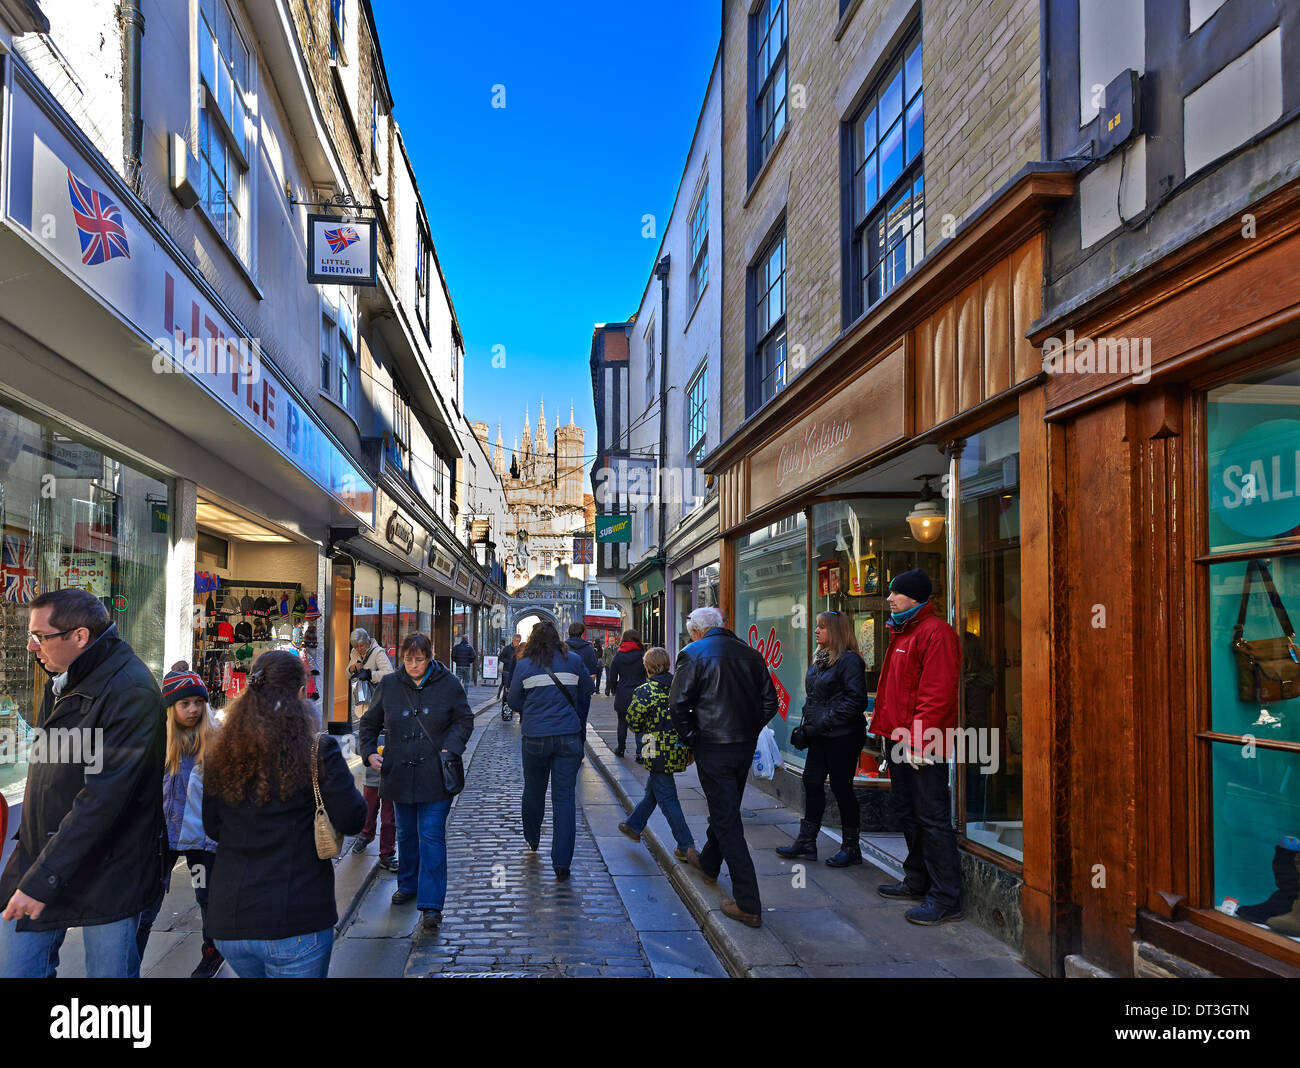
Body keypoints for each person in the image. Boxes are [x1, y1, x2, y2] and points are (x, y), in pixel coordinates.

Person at [0, 589, 164, 978]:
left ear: (80, 637)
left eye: (41, 636)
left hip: (109, 869)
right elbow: (51, 771)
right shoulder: (63, 677)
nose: (30, 645)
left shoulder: (132, 691)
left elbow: (103, 799)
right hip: (45, 854)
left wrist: (43, 878)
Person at [202, 651, 365, 977]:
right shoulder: (318, 749)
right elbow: (352, 818)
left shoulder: (221, 751)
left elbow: (212, 827)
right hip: (295, 915)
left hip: (231, 919)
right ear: (301, 693)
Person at [669, 607, 777, 928]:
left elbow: (677, 704)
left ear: (697, 632)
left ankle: (749, 902)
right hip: (741, 747)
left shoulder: (692, 653)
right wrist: (747, 730)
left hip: (713, 746)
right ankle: (709, 862)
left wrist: (693, 739)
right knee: (725, 807)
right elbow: (770, 702)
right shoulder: (751, 654)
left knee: (728, 819)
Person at [359, 633, 474, 934]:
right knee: (407, 835)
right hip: (398, 774)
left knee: (431, 836)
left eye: (419, 659)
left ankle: (432, 905)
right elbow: (369, 724)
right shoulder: (389, 685)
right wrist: (369, 752)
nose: (412, 664)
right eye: (408, 659)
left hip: (435, 776)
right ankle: (408, 884)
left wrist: (451, 748)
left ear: (430, 656)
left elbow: (464, 720)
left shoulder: (448, 684)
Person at [868, 569, 964, 925]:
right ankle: (917, 880)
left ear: (914, 597)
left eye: (896, 593)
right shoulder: (902, 631)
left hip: (923, 743)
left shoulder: (936, 633)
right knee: (909, 812)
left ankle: (946, 897)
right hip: (898, 740)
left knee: (932, 818)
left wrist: (921, 741)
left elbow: (936, 694)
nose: (889, 598)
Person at [137, 666, 224, 978]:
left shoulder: (216, 740)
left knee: (206, 897)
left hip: (203, 838)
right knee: (148, 902)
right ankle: (130, 960)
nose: (193, 710)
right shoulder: (156, 739)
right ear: (170, 707)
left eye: (198, 703)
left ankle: (212, 953)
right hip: (163, 836)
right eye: (184, 704)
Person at [507, 621, 595, 879]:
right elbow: (586, 692)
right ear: (558, 638)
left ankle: (532, 839)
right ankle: (562, 862)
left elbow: (513, 700)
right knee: (564, 798)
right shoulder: (575, 660)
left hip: (535, 737)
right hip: (568, 737)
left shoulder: (524, 665)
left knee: (533, 790)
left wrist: (533, 710)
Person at [780, 611, 869, 867]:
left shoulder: (850, 661)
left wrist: (821, 723)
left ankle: (851, 847)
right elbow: (814, 698)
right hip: (819, 734)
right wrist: (806, 727)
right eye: (816, 626)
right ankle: (807, 841)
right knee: (812, 782)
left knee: (842, 788)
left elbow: (855, 701)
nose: (816, 631)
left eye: (822, 627)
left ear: (837, 632)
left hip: (843, 736)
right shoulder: (820, 658)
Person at [619, 648, 698, 863]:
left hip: (652, 747)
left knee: (667, 796)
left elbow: (633, 722)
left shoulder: (645, 690)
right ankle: (633, 825)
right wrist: (690, 747)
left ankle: (686, 845)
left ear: (647, 666)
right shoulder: (679, 688)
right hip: (679, 746)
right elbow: (691, 718)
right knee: (655, 788)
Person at [348, 629, 397, 871]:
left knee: (387, 804)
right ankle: (366, 835)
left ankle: (386, 850)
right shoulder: (356, 652)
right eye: (355, 647)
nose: (358, 650)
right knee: (370, 795)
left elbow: (387, 674)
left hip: (385, 741)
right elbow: (349, 671)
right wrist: (354, 669)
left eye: (360, 647)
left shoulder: (378, 654)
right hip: (366, 716)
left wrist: (370, 673)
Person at [607, 629, 647, 759]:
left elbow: (612, 677)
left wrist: (615, 689)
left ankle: (621, 749)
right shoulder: (643, 654)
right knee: (642, 724)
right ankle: (641, 753)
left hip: (623, 692)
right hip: (640, 693)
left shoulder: (618, 655)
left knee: (622, 723)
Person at [566, 622, 601, 688]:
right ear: (582, 632)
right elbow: (592, 673)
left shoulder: (562, 647)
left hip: (565, 686)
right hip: (583, 685)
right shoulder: (589, 649)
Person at [498, 634, 521, 720]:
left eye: (518, 641)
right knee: (506, 691)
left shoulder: (519, 649)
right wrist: (508, 662)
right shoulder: (507, 648)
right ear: (513, 639)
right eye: (516, 641)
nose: (516, 643)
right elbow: (500, 657)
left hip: (515, 672)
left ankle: (513, 709)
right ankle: (506, 712)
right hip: (507, 671)